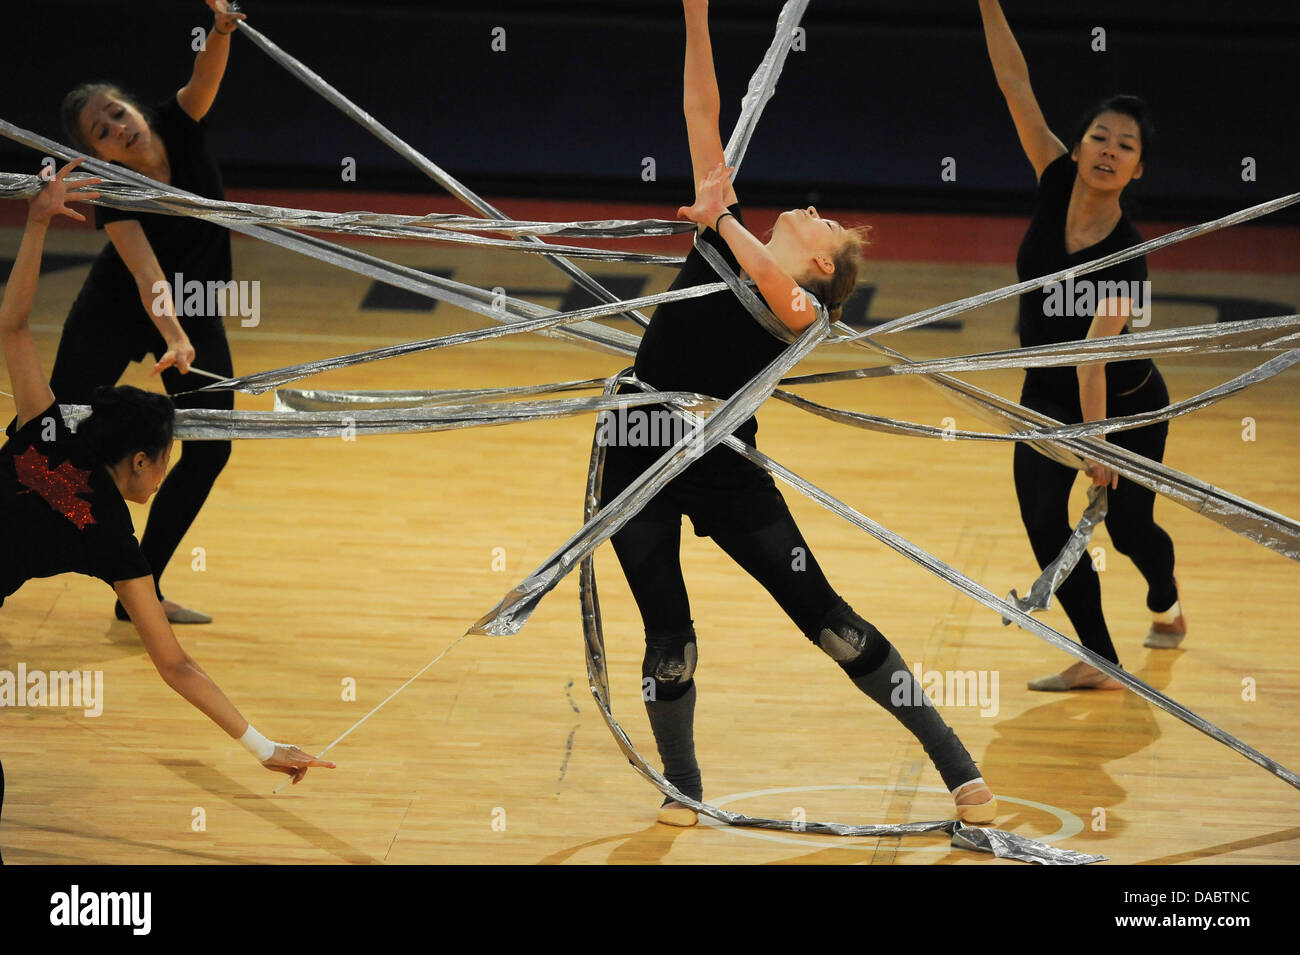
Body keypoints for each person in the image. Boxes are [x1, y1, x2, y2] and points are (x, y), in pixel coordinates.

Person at [597, 0, 998, 827]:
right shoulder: (723, 230)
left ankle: (955, 762)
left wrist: (722, 222)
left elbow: (778, 298)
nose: (812, 210)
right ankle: (684, 784)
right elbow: (701, 110)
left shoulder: (804, 313)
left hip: (723, 467)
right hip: (634, 446)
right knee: (669, 639)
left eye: (823, 223)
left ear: (820, 260)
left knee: (831, 624)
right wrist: (697, 16)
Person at [1, 161, 334, 832]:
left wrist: (36, 223)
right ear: (140, 461)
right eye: (168, 462)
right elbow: (174, 664)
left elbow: (11, 327)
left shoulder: (47, 428)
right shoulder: (111, 538)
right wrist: (264, 748)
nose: (167, 474)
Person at [977, 0, 1185, 692]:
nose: (1107, 150)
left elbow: (1093, 353)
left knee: (1130, 532)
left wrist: (1096, 444)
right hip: (1045, 395)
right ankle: (1100, 659)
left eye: (1125, 146)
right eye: (1100, 136)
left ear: (1137, 172)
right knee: (1044, 522)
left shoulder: (1128, 255)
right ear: (1079, 146)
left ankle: (1165, 598)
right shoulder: (1055, 176)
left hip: (1122, 408)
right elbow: (1014, 83)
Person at [51, 0, 247, 624]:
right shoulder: (115, 189)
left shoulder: (179, 122)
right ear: (99, 154)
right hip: (119, 308)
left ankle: (139, 592)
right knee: (46, 436)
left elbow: (206, 75)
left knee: (212, 443)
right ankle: (40, 532)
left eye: (117, 112)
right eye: (102, 133)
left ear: (133, 105)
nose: (118, 127)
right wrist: (171, 336)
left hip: (194, 310)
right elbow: (145, 273)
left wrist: (221, 28)